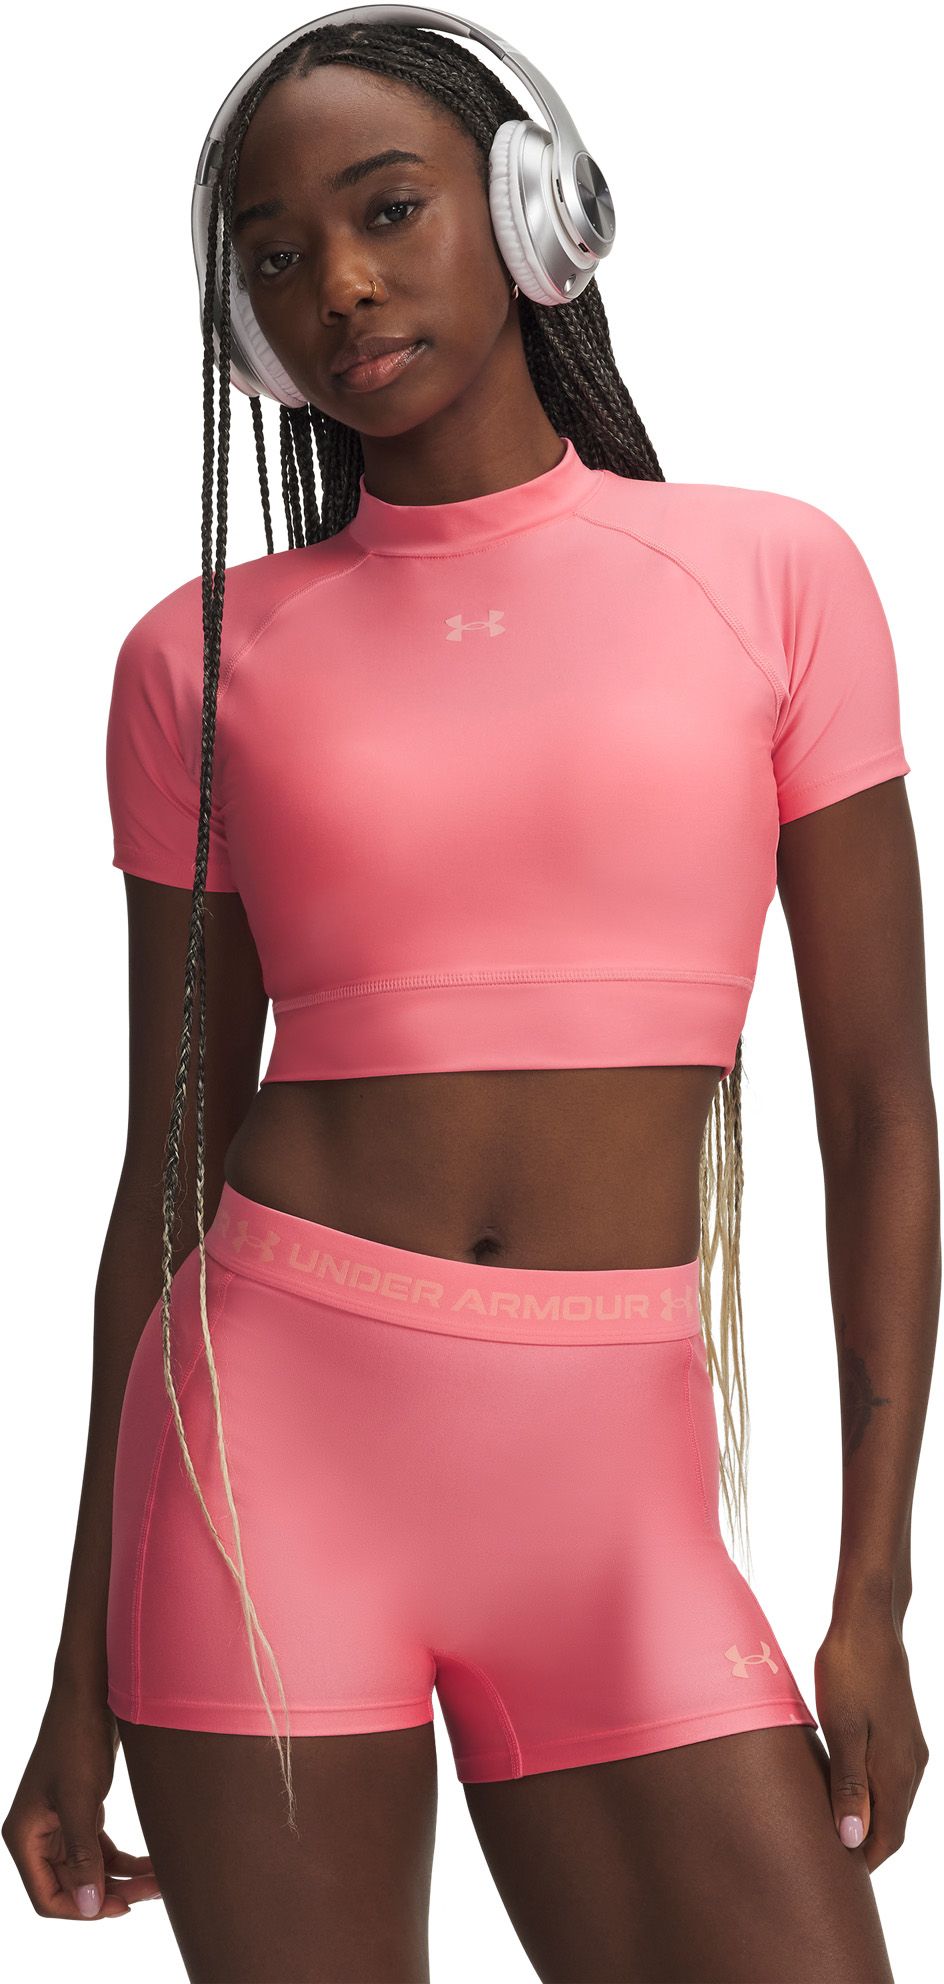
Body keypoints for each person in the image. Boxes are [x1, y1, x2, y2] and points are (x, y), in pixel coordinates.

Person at [3, 13, 935, 1981]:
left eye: (387, 211)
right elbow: (163, 1168)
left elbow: (879, 1111)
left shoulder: (771, 576)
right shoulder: (198, 660)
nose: (337, 282)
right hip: (264, 1460)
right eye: (274, 254)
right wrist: (74, 1667)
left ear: (532, 210)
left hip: (613, 1497)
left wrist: (873, 1590)